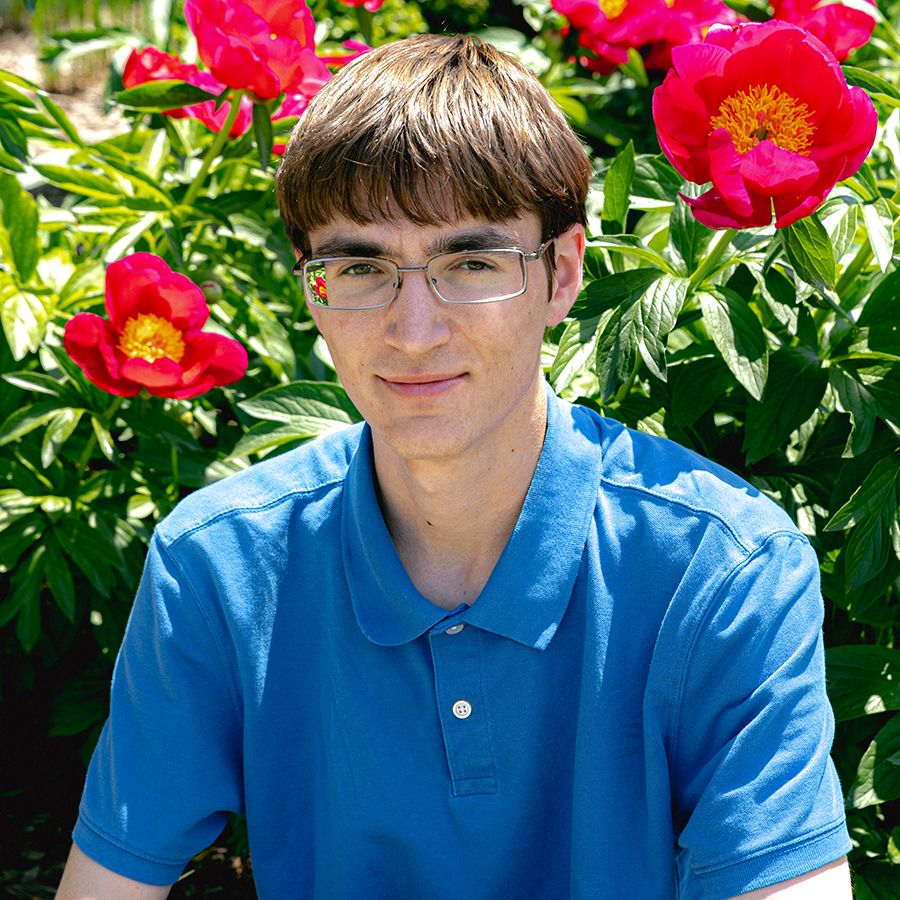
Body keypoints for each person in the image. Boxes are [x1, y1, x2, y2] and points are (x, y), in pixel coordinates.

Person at [56, 33, 852, 900]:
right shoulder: (219, 565)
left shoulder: (724, 570)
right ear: (310, 288)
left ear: (563, 276)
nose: (415, 330)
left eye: (471, 263)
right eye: (359, 267)